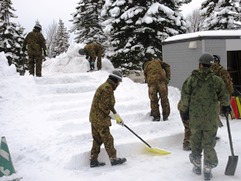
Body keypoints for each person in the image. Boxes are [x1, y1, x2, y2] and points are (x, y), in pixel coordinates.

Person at [179, 53, 230, 180]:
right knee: (209, 143)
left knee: (195, 141)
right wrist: (226, 106)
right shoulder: (216, 80)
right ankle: (208, 168)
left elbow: (185, 96)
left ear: (200, 64)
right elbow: (224, 94)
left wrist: (184, 110)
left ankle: (196, 165)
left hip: (195, 118)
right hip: (210, 119)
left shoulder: (191, 79)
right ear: (212, 65)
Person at [89, 70, 127, 167]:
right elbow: (103, 106)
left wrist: (117, 117)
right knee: (108, 139)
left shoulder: (106, 86)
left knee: (97, 140)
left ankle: (93, 160)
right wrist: (113, 115)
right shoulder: (107, 88)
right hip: (100, 119)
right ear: (116, 80)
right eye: (119, 82)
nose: (119, 84)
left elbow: (109, 106)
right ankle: (114, 159)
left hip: (95, 118)